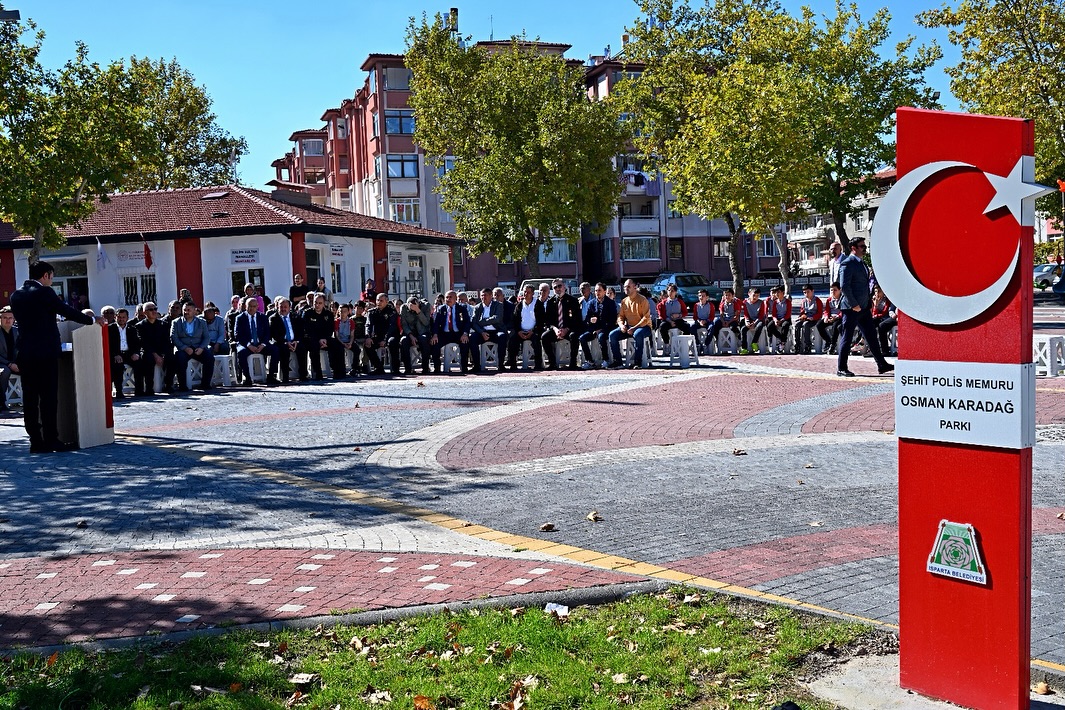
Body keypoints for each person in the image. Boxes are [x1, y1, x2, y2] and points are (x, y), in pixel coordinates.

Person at [9, 261, 103, 453]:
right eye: (52, 277)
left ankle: (35, 441)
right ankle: (52, 439)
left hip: (25, 353)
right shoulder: (45, 292)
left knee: (30, 399)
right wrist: (92, 320)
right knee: (48, 398)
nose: (52, 281)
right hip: (45, 353)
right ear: (45, 275)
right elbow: (66, 310)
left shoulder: (16, 295)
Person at [837, 237, 894, 377]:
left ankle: (881, 364)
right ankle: (841, 368)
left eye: (864, 245)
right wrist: (854, 304)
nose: (865, 248)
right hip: (851, 308)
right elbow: (844, 286)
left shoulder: (861, 263)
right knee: (847, 337)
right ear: (853, 248)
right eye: (862, 246)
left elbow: (865, 287)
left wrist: (868, 304)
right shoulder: (847, 264)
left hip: (863, 308)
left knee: (871, 336)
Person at [170, 302, 215, 392]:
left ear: (194, 311)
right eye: (184, 310)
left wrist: (202, 348)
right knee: (180, 359)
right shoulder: (176, 322)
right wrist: (184, 348)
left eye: (188, 310)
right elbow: (174, 337)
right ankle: (182, 385)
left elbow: (206, 337)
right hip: (184, 348)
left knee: (210, 358)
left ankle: (205, 384)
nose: (186, 312)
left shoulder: (202, 322)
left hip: (198, 347)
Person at [607, 279, 653, 369]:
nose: (626, 289)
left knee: (638, 334)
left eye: (628, 287)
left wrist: (634, 328)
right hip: (629, 327)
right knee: (612, 335)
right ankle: (618, 362)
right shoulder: (624, 301)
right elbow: (620, 316)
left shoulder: (643, 300)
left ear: (635, 287)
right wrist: (621, 325)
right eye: (625, 287)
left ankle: (637, 363)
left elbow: (646, 318)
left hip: (644, 327)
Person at [235, 296, 279, 385]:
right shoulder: (240, 318)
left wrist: (263, 344)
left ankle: (271, 376)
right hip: (246, 344)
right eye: (249, 306)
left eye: (254, 306)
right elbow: (238, 335)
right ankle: (247, 378)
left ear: (257, 306)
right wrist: (249, 345)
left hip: (260, 344)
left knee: (275, 350)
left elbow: (267, 333)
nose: (251, 308)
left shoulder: (262, 317)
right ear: (245, 306)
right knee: (241, 353)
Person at [541, 279, 582, 370]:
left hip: (569, 329)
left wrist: (566, 329)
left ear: (564, 287)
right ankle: (552, 363)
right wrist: (555, 329)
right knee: (544, 337)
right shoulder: (551, 302)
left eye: (559, 286)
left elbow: (577, 320)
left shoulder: (573, 301)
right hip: (556, 330)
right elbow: (548, 321)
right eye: (555, 287)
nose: (558, 289)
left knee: (574, 336)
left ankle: (573, 363)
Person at [430, 290, 471, 374]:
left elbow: (467, 322)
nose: (448, 299)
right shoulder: (441, 309)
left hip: (458, 334)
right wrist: (435, 334)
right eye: (446, 297)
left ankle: (464, 367)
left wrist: (465, 334)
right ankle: (437, 368)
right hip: (445, 334)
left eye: (450, 297)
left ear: (456, 299)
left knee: (465, 343)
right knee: (434, 344)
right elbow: (436, 323)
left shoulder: (462, 308)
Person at [505, 285, 544, 371]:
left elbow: (541, 321)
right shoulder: (519, 305)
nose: (526, 294)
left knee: (536, 341)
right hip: (521, 332)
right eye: (524, 292)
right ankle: (513, 364)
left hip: (534, 331)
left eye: (528, 292)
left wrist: (533, 331)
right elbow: (515, 320)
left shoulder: (538, 304)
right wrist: (519, 331)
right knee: (512, 340)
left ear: (533, 293)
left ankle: (538, 364)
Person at [579, 282, 617, 369]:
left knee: (601, 336)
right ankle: (590, 361)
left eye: (599, 290)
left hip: (606, 328)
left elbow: (612, 320)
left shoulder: (610, 303)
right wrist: (590, 321)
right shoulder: (591, 303)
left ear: (604, 291)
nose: (597, 293)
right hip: (593, 329)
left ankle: (606, 359)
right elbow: (587, 318)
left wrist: (601, 329)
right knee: (582, 338)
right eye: (596, 291)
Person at [470, 287, 508, 373]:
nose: (483, 298)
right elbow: (474, 323)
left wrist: (482, 322)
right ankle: (476, 365)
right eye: (482, 296)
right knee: (472, 338)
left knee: (502, 336)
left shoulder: (498, 305)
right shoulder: (477, 307)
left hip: (496, 331)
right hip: (482, 332)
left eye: (485, 295)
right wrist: (481, 332)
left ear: (491, 296)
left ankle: (501, 364)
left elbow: (497, 319)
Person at [108, 308, 142, 399]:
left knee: (139, 363)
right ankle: (119, 391)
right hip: (117, 353)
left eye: (123, 317)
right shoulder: (110, 329)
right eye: (119, 317)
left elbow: (137, 343)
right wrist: (115, 354)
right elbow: (108, 344)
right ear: (115, 317)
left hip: (129, 353)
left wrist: (136, 353)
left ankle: (139, 390)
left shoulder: (132, 329)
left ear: (127, 318)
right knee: (117, 365)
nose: (121, 319)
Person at [269, 297, 303, 383]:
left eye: (285, 307)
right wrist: (286, 342)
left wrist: (296, 341)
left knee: (303, 348)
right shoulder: (273, 318)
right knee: (284, 350)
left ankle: (303, 374)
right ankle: (285, 377)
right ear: (277, 307)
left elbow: (300, 331)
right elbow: (274, 335)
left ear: (289, 307)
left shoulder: (295, 316)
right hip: (281, 342)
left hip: (294, 341)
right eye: (281, 307)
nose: (283, 309)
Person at [400, 295, 432, 375]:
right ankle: (408, 368)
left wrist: (418, 311)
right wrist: (410, 335)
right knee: (404, 341)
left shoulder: (426, 306)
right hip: (410, 333)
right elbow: (404, 324)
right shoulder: (404, 308)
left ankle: (425, 367)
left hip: (422, 331)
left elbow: (426, 323)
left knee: (424, 339)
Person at [0, 306, 19, 414]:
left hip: (16, 363)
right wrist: (9, 364)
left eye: (10, 318)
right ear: (0, 319)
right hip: (2, 363)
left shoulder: (17, 332)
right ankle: (1, 402)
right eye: (4, 318)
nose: (8, 320)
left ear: (14, 319)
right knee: (4, 371)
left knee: (32, 368)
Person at [794, 285, 823, 355]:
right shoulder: (804, 301)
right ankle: (798, 344)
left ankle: (808, 344)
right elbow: (802, 311)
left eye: (808, 292)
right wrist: (801, 316)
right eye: (804, 292)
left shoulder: (817, 301)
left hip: (814, 319)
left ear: (812, 291)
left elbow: (820, 313)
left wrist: (813, 317)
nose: (806, 294)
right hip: (806, 318)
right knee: (797, 325)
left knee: (806, 325)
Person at [738, 288, 766, 354]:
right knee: (743, 329)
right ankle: (744, 348)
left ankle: (754, 342)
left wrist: (755, 323)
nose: (755, 297)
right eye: (754, 295)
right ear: (749, 294)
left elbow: (761, 316)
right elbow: (746, 314)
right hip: (749, 320)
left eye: (757, 296)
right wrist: (747, 322)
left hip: (758, 320)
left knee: (760, 326)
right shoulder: (745, 302)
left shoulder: (761, 303)